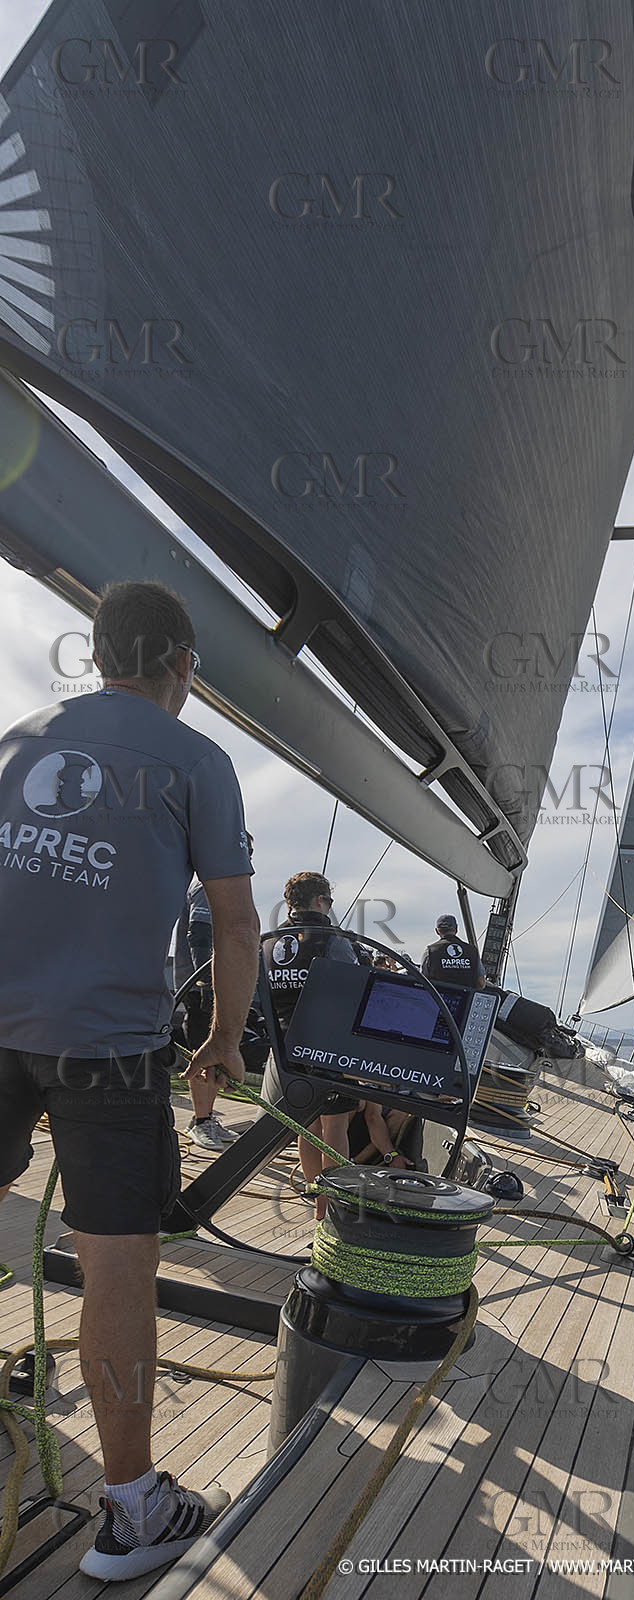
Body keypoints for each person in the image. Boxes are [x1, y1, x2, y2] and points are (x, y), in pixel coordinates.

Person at [0, 581, 260, 1581]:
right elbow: (234, 921)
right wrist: (223, 1039)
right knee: (117, 1260)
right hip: (108, 1049)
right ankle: (134, 1511)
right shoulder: (197, 760)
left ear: (100, 655)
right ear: (183, 665)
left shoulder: (19, 738)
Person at [264, 874, 407, 1220]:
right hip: (326, 1047)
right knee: (334, 1129)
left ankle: (316, 1200)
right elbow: (356, 990)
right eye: (328, 901)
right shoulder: (333, 939)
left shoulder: (269, 941)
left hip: (286, 1049)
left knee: (308, 1128)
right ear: (319, 901)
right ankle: (329, 1208)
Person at [174, 837, 255, 1149]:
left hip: (205, 987)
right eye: (246, 852)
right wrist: (209, 985)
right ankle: (201, 1120)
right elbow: (200, 935)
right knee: (203, 1052)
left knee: (211, 1057)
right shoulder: (210, 886)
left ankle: (206, 1116)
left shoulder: (209, 886)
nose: (249, 861)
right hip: (203, 990)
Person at [421, 913, 486, 989]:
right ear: (456, 929)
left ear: (437, 931)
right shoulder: (472, 950)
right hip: (465, 996)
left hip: (438, 995)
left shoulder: (430, 951)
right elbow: (481, 983)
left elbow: (423, 980)